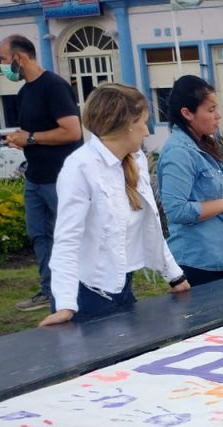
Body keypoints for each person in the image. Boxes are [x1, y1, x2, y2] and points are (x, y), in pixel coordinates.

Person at [42, 84, 189, 326]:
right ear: (127, 124)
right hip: (87, 296)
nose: (146, 131)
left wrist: (175, 277)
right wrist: (66, 305)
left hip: (122, 288)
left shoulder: (136, 161)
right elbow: (67, 240)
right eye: (143, 122)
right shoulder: (80, 167)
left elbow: (151, 227)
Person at [0, 34, 83, 312]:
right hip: (35, 177)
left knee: (68, 236)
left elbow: (73, 131)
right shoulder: (24, 92)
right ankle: (50, 291)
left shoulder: (54, 87)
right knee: (40, 235)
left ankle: (79, 292)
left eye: (3, 60)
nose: (2, 67)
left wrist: (31, 138)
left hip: (60, 179)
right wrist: (20, 139)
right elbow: (31, 134)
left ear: (19, 58)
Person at [158, 75, 223, 287]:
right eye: (210, 110)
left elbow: (199, 194)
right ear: (187, 113)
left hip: (219, 258)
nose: (218, 116)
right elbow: (176, 210)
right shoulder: (179, 151)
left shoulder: (202, 144)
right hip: (196, 263)